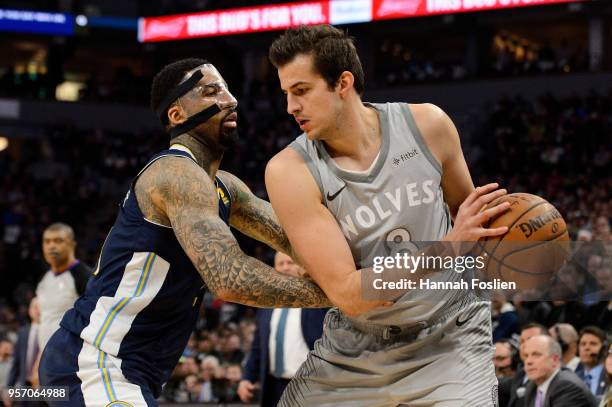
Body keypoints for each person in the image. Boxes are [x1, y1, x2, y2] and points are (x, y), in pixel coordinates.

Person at [38, 58, 331, 407]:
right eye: (211, 91)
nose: (230, 99)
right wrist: (337, 294)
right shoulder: (174, 174)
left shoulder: (224, 188)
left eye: (227, 88)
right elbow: (228, 277)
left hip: (131, 371)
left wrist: (376, 271)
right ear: (176, 115)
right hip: (96, 362)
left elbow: (298, 238)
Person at [265, 24, 511, 406]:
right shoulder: (289, 171)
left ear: (342, 83)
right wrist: (449, 246)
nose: (290, 107)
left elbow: (472, 222)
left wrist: (524, 237)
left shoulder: (428, 125)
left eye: (301, 91)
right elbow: (350, 294)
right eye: (286, 94)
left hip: (449, 334)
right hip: (356, 346)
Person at [238, 252, 327, 407]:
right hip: (274, 386)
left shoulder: (318, 300)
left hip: (309, 386)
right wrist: (247, 378)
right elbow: (258, 346)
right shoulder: (266, 303)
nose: (285, 268)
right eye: (280, 264)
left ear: (302, 267)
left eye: (290, 263)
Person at [36, 223, 91, 352]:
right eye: (47, 242)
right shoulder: (44, 278)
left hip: (72, 358)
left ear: (72, 244)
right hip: (47, 357)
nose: (51, 246)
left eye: (58, 241)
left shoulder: (84, 276)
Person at [522, 335, 596, 407]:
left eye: (536, 355)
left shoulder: (567, 386)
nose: (528, 361)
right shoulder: (532, 387)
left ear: (555, 360)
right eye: (526, 356)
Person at [576, 326, 609, 399]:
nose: (587, 348)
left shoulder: (609, 376)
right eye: (583, 344)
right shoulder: (573, 378)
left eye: (593, 344)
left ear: (604, 349)